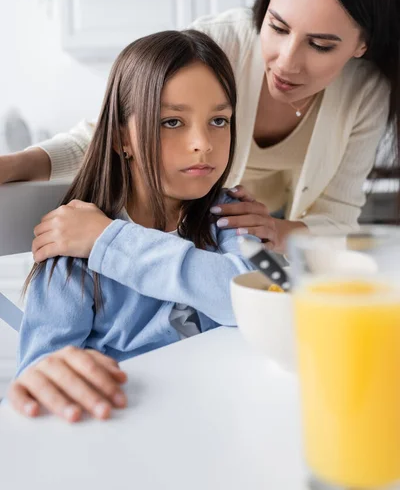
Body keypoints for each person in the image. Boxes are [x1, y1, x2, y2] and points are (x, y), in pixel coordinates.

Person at [1, 0, 398, 254]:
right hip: (195, 231)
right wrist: (18, 164)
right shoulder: (216, 47)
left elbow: (338, 219)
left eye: (321, 45)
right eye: (277, 27)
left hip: (270, 238)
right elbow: (112, 133)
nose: (286, 60)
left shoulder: (366, 92)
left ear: (362, 44)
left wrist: (275, 232)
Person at [7, 29, 258, 423]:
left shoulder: (230, 215)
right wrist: (51, 375)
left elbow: (254, 299)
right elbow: (42, 377)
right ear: (123, 137)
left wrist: (110, 241)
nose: (203, 143)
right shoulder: (73, 242)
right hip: (125, 424)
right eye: (172, 122)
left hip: (225, 414)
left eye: (219, 120)